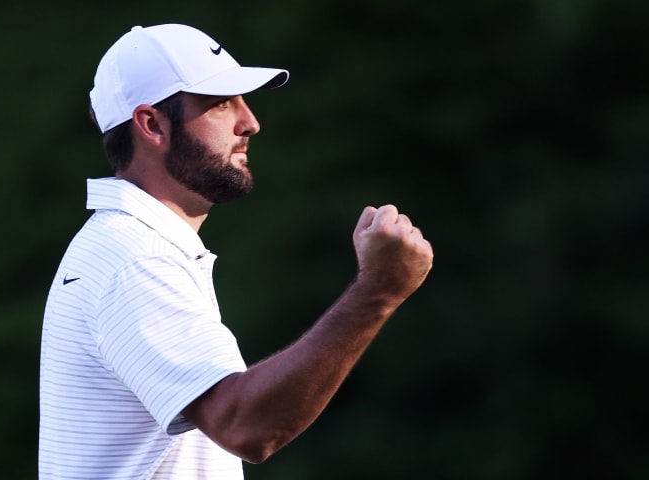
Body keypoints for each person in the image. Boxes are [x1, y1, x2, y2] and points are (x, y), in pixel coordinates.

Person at [38, 23, 433, 480]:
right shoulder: (137, 258)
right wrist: (377, 292)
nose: (251, 122)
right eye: (221, 103)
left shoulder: (128, 245)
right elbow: (246, 426)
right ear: (151, 125)